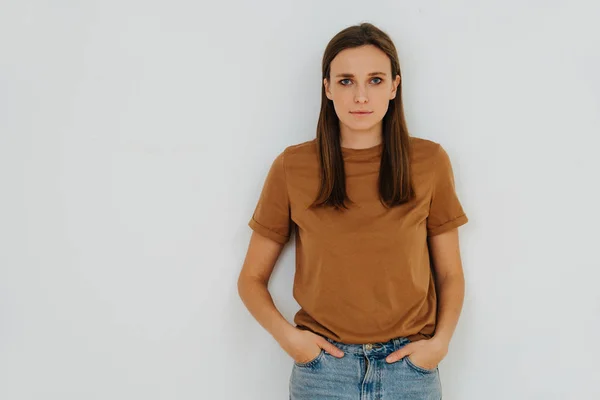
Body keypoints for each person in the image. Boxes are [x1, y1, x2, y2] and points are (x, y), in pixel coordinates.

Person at [238, 22, 469, 400]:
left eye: (375, 80)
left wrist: (439, 344)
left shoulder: (429, 162)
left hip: (409, 370)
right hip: (323, 373)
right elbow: (250, 279)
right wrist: (293, 342)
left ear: (395, 86)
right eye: (346, 81)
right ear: (327, 88)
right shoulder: (292, 167)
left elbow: (450, 273)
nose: (361, 96)